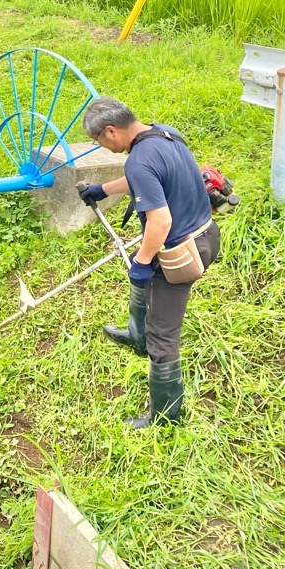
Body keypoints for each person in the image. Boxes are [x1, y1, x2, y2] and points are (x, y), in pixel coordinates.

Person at [79, 97, 220, 428]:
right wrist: (103, 189)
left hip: (182, 253)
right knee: (143, 281)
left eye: (98, 139)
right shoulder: (163, 133)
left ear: (111, 131)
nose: (100, 145)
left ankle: (165, 417)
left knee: (163, 336)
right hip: (207, 234)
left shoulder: (138, 161)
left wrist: (142, 262)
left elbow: (160, 222)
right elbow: (148, 178)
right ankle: (135, 335)